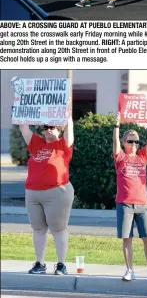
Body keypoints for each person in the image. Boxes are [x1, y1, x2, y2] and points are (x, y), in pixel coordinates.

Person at [19, 117, 74, 275]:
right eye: (46, 127)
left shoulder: (63, 145)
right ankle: (39, 263)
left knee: (58, 229)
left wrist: (68, 116)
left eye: (53, 127)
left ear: (59, 129)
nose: (49, 129)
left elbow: (70, 130)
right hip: (33, 192)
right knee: (38, 229)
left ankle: (61, 265)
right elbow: (24, 128)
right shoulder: (37, 143)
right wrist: (21, 110)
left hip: (56, 191)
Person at [113, 112, 147, 282]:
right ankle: (129, 270)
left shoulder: (142, 156)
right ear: (124, 143)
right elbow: (115, 143)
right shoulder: (120, 157)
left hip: (143, 205)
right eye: (130, 141)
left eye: (136, 141)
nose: (134, 144)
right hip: (125, 204)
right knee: (127, 238)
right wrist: (117, 125)